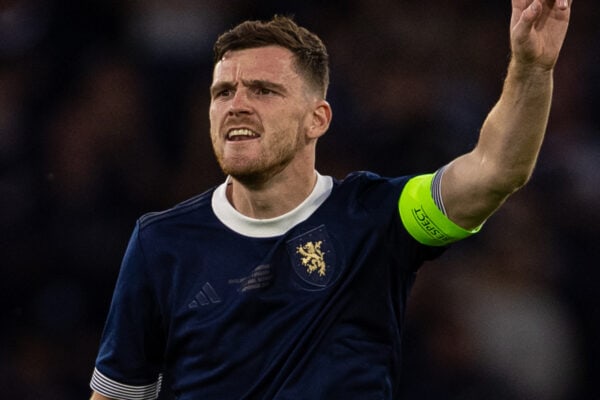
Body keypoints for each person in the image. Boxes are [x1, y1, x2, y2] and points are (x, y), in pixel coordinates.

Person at [89, 1, 572, 399]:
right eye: (223, 91)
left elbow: (495, 172)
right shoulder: (161, 243)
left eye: (263, 90)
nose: (236, 103)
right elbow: (118, 396)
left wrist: (532, 66)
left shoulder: (376, 215)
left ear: (316, 119)